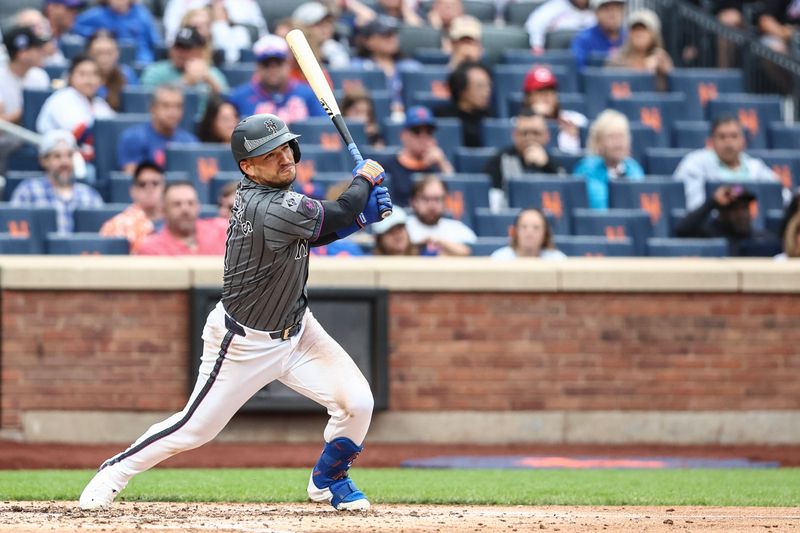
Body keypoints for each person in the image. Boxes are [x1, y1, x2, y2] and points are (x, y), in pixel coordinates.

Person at [79, 113, 393, 512]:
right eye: (270, 154)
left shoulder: (274, 198)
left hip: (298, 330)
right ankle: (114, 472)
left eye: (286, 148)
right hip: (243, 342)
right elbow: (337, 213)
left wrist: (362, 215)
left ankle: (329, 481)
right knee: (194, 429)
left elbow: (323, 229)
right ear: (248, 166)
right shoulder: (266, 204)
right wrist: (364, 182)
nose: (284, 159)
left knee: (357, 403)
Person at [673, 114, 781, 210]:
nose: (728, 142)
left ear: (743, 141)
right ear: (711, 141)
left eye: (734, 136)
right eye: (722, 137)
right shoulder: (694, 164)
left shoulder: (755, 166)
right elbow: (693, 205)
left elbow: (781, 196)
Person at [10, 130, 104, 233]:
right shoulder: (28, 191)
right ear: (43, 161)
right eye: (57, 156)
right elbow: (14, 233)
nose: (64, 162)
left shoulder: (90, 195)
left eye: (69, 156)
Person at [36, 54, 116, 164]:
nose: (89, 80)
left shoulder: (100, 104)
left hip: (86, 158)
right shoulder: (63, 97)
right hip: (57, 159)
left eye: (94, 74)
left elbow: (115, 130)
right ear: (70, 77)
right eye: (82, 74)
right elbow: (80, 133)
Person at [227, 35, 326, 123]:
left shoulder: (307, 94)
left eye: (278, 63)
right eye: (266, 64)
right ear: (257, 66)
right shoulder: (239, 97)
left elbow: (322, 128)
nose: (273, 69)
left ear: (288, 63)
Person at [484, 111, 561, 212]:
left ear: (547, 136)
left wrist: (547, 166)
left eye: (536, 133)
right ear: (514, 135)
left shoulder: (554, 162)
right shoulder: (499, 160)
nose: (529, 138)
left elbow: (563, 194)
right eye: (524, 133)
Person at [675, 185, 782, 257]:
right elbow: (682, 230)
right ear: (722, 213)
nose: (743, 215)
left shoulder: (761, 239)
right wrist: (712, 202)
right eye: (736, 210)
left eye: (745, 208)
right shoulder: (710, 234)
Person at [140, 26, 229, 113]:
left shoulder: (212, 74)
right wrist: (185, 81)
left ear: (199, 52)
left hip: (204, 125)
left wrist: (210, 81)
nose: (180, 53)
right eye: (178, 47)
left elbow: (228, 105)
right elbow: (147, 103)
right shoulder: (155, 72)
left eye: (187, 48)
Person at [381, 105, 455, 207]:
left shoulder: (436, 166)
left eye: (429, 132)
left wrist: (442, 163)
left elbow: (454, 198)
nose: (423, 137)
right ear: (403, 135)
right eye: (417, 131)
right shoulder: (388, 166)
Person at [116, 84, 199, 174]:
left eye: (178, 106)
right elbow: (133, 180)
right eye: (166, 106)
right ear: (152, 108)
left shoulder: (190, 142)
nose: (173, 112)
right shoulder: (133, 138)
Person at [573, 109, 644, 210]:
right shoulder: (585, 169)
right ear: (598, 142)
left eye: (622, 136)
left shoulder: (634, 168)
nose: (618, 143)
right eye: (612, 137)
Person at [133, 181, 228, 255]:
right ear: (163, 210)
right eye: (177, 204)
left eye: (190, 203)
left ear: (198, 207)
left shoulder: (222, 231)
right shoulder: (151, 249)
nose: (185, 209)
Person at [350, 16, 421, 114]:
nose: (392, 39)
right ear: (368, 41)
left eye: (394, 34)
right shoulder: (357, 67)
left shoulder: (411, 67)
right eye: (386, 35)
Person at [100, 161, 165, 250]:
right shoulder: (117, 225)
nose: (149, 188)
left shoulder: (177, 222)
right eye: (142, 184)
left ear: (165, 189)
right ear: (133, 191)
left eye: (155, 183)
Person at [522, 66, 587, 154]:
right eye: (540, 91)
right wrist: (533, 114)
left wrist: (577, 138)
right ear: (528, 97)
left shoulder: (576, 120)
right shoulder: (519, 124)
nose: (547, 96)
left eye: (551, 90)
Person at [73, 0, 162, 65]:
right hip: (108, 60)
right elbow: (74, 24)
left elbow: (155, 42)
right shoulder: (98, 14)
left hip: (140, 60)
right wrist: (94, 33)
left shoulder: (142, 15)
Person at [407, 174, 476, 256]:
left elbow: (475, 253)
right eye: (425, 199)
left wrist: (441, 243)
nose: (432, 206)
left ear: (445, 202)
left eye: (437, 199)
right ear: (413, 202)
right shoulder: (401, 228)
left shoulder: (458, 229)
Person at [606, 9, 673, 91]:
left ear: (654, 34)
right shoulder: (616, 59)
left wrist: (664, 70)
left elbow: (673, 88)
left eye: (644, 29)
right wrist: (645, 69)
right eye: (635, 29)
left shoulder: (661, 59)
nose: (639, 33)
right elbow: (607, 85)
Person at [433, 61, 492, 148]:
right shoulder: (443, 117)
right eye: (480, 86)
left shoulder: (490, 117)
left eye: (489, 86)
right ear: (461, 89)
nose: (487, 92)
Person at [0, 26, 50, 125]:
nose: (42, 52)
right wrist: (27, 111)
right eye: (37, 49)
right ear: (23, 54)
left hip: (34, 139)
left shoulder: (40, 75)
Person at [162, 0, 268, 46]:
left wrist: (222, 24)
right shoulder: (182, 2)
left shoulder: (245, 3)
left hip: (231, 56)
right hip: (191, 52)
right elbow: (172, 38)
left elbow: (262, 37)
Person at [86, 29, 139, 111]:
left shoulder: (126, 75)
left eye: (109, 53)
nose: (104, 58)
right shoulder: (81, 77)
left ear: (117, 53)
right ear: (89, 53)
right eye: (98, 53)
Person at [180, 4, 252, 64]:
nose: (202, 31)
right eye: (196, 27)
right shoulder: (178, 50)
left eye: (207, 25)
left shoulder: (216, 53)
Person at [490, 208, 567, 260]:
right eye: (524, 227)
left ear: (545, 234)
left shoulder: (557, 260)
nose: (529, 232)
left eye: (536, 228)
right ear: (515, 232)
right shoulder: (499, 258)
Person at [292, 2, 351, 68]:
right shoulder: (290, 54)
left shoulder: (332, 48)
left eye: (328, 22)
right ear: (302, 27)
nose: (326, 28)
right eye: (318, 24)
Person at [571, 0, 626, 70]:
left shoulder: (632, 37)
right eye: (607, 9)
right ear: (596, 12)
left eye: (618, 9)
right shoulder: (583, 39)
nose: (613, 14)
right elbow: (578, 71)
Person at [525, 0, 595, 53]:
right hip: (554, 55)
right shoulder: (556, 6)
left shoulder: (598, 10)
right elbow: (535, 24)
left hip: (586, 56)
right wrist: (537, 45)